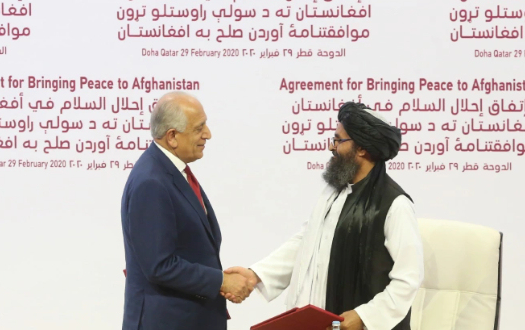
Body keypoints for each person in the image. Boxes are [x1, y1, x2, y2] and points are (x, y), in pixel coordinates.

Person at [225, 102, 424, 330]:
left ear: (362, 149)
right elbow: (307, 242)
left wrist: (364, 317)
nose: (332, 146)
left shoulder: (395, 204)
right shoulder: (333, 192)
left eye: (339, 140)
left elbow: (408, 279)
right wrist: (255, 275)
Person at [121, 92, 254, 330]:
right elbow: (159, 266)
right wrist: (221, 281)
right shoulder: (151, 182)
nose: (208, 134)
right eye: (199, 128)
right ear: (172, 136)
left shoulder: (170, 171)